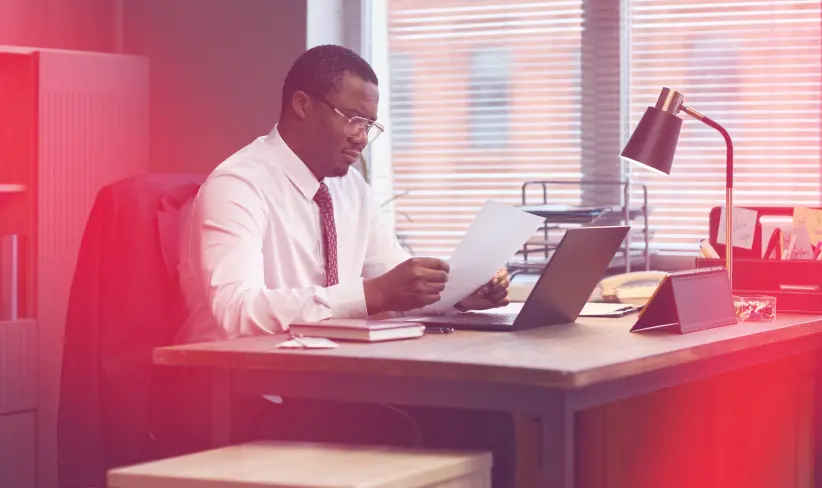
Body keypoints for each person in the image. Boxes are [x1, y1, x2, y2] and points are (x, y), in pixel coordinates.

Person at [174, 44, 515, 487]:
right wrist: (371, 295)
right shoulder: (239, 185)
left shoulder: (350, 188)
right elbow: (235, 310)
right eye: (354, 118)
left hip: (331, 383)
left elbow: (391, 278)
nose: (361, 136)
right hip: (244, 393)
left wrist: (457, 296)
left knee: (484, 421)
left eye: (370, 125)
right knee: (391, 432)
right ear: (302, 105)